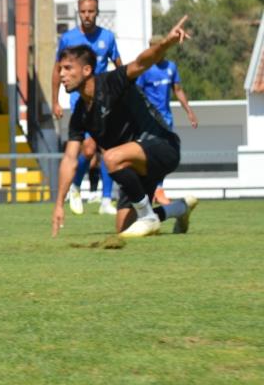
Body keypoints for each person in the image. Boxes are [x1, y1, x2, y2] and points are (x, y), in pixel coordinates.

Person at [52, 16, 199, 239]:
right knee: (124, 229)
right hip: (131, 164)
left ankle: (148, 217)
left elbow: (142, 62)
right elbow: (70, 159)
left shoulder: (112, 82)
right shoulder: (80, 113)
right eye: (60, 69)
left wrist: (167, 42)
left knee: (110, 157)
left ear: (86, 70)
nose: (61, 74)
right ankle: (179, 209)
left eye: (67, 68)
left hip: (162, 146)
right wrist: (59, 204)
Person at [52, 0, 123, 217]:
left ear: (97, 12)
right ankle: (75, 186)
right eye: (83, 12)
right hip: (80, 101)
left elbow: (120, 67)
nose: (87, 16)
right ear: (78, 12)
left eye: (91, 11)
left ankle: (105, 200)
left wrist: (123, 92)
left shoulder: (108, 38)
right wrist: (55, 101)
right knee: (90, 148)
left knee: (107, 149)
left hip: (105, 100)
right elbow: (57, 70)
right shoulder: (69, 38)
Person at [135, 36, 199, 205]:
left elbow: (178, 90)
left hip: (166, 119)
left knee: (166, 154)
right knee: (148, 155)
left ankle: (159, 189)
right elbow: (137, 94)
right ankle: (150, 190)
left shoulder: (171, 67)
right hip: (148, 121)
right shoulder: (145, 70)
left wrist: (189, 112)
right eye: (152, 48)